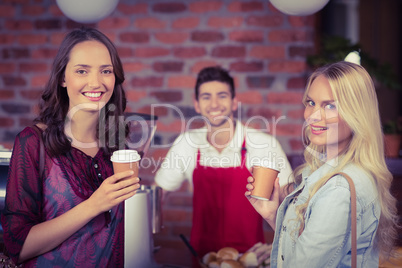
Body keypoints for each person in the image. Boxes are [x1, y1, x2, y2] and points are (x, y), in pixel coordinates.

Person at [0, 27, 140, 267]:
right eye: (82, 71)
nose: (95, 82)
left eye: (105, 71)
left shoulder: (117, 147)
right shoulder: (33, 143)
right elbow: (18, 247)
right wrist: (94, 205)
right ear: (63, 78)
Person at [246, 61, 400, 267]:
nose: (313, 116)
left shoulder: (339, 189)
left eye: (330, 106)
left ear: (357, 114)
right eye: (311, 103)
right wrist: (274, 215)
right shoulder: (324, 169)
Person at [154, 66, 293, 265]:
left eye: (222, 95)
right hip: (202, 259)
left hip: (249, 260)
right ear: (197, 104)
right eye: (206, 97)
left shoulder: (263, 144)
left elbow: (290, 203)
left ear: (234, 102)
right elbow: (159, 195)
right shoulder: (186, 143)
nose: (214, 104)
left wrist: (280, 244)